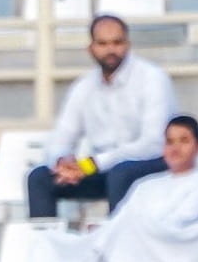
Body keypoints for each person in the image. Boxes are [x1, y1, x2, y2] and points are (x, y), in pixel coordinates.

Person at [12, 115, 198, 262]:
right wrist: (107, 228)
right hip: (134, 240)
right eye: (170, 142)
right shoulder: (146, 185)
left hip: (172, 252)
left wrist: (126, 227)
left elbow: (180, 222)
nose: (175, 148)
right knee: (48, 240)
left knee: (129, 227)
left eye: (184, 141)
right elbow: (120, 219)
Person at [27, 15, 176, 218]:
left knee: (120, 172)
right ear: (91, 48)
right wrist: (63, 162)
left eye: (117, 42)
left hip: (151, 164)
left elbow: (153, 143)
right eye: (102, 43)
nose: (110, 50)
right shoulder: (84, 86)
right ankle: (44, 245)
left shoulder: (152, 79)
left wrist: (92, 164)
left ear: (128, 44)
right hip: (101, 169)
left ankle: (117, 246)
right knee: (40, 177)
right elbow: (62, 135)